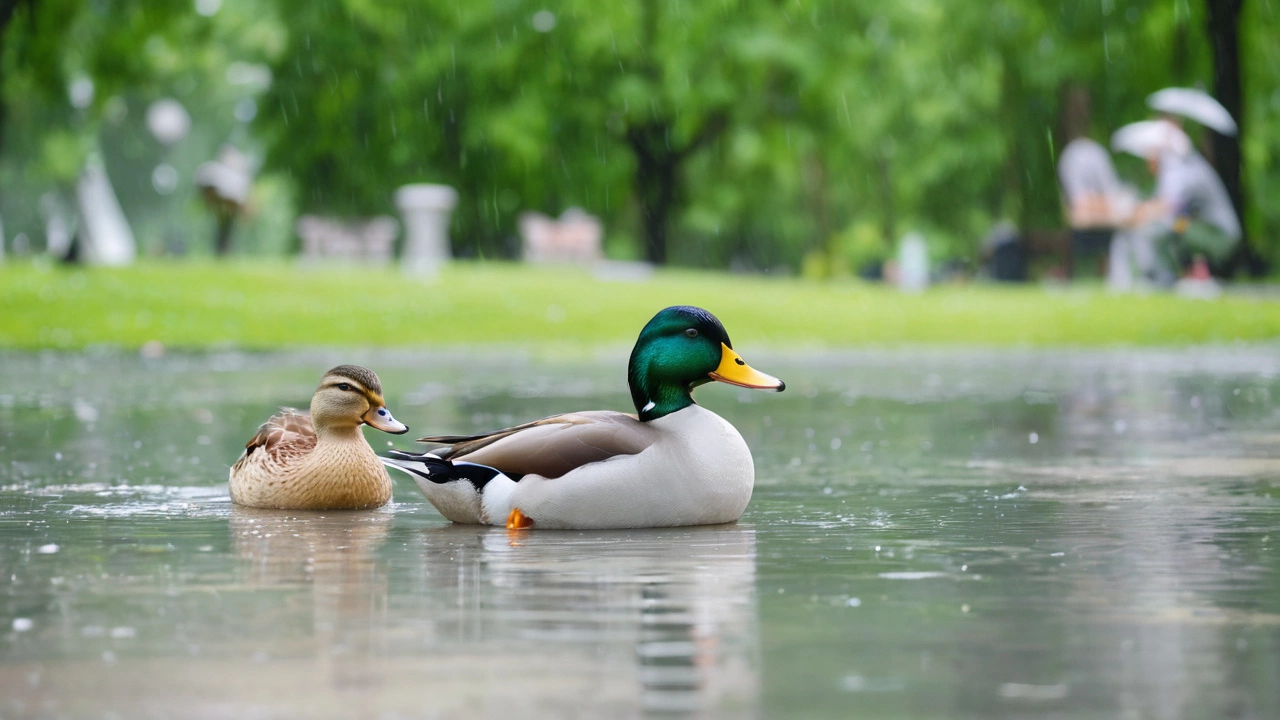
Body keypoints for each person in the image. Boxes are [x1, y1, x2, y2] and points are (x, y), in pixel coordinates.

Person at [1119, 119, 1240, 286]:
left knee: (1167, 228)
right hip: (1205, 229)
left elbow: (1167, 206)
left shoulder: (1185, 169)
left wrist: (1136, 213)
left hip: (1220, 235)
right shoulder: (1183, 168)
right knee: (1172, 225)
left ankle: (1167, 276)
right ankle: (1183, 273)